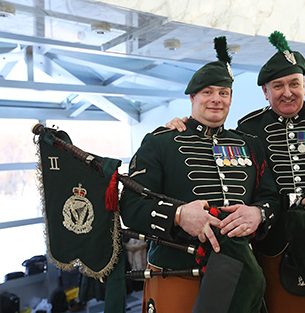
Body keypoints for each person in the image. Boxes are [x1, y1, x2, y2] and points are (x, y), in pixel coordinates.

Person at [166, 31, 305, 313]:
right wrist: (187, 125)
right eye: (277, 86)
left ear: (304, 85)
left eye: (294, 83)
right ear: (265, 92)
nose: (287, 92)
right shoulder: (249, 128)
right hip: (272, 247)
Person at [119, 36, 279, 313]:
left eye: (223, 92)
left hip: (243, 276)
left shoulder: (249, 144)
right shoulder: (160, 142)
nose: (216, 99)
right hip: (178, 275)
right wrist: (180, 215)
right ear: (192, 97)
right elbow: (130, 207)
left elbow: (271, 197)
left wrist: (258, 213)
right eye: (207, 92)